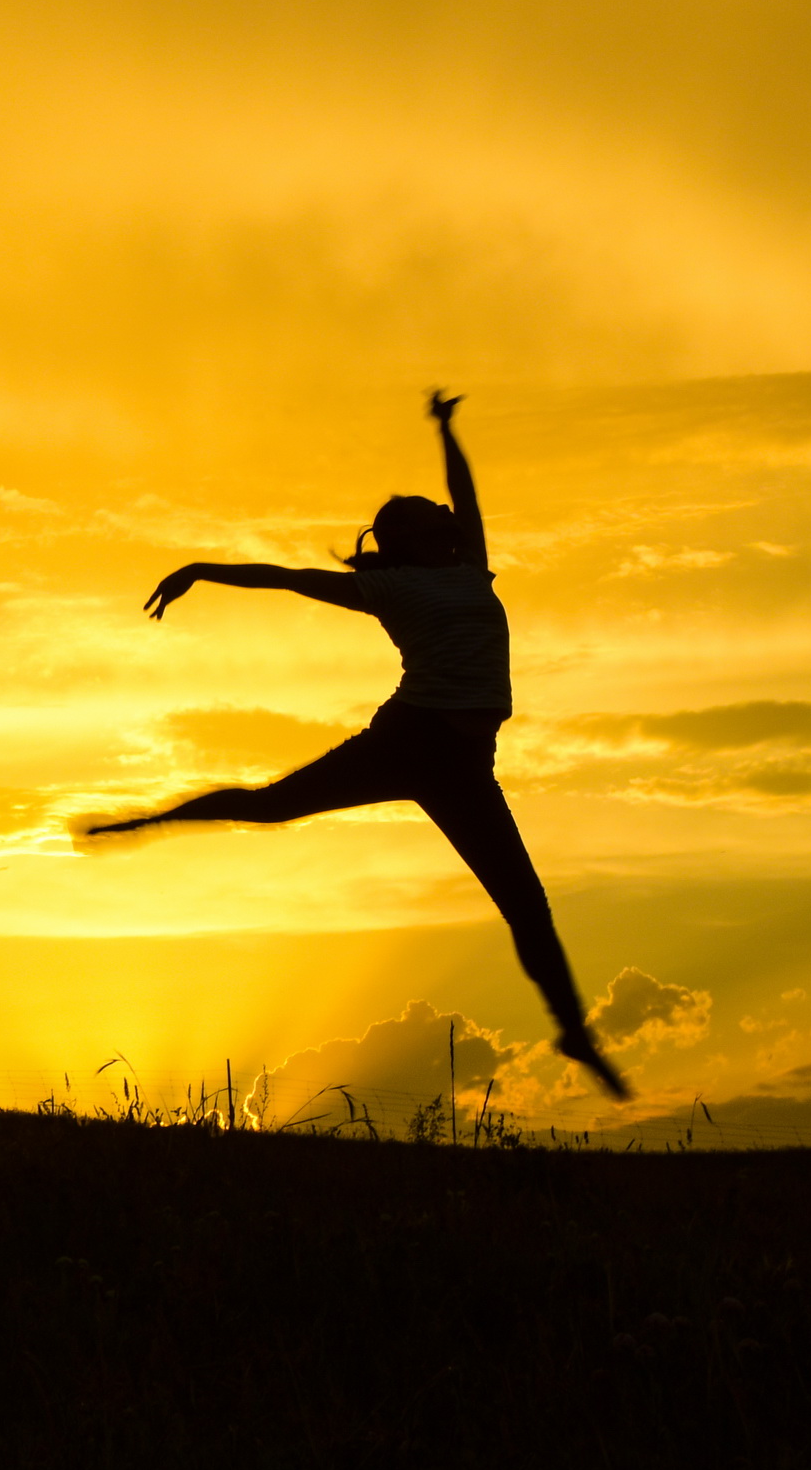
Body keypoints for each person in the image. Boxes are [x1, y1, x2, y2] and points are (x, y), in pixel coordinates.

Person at [79, 391, 632, 1098]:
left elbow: (468, 494)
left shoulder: (471, 567)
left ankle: (574, 1032)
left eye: (441, 509)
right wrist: (198, 569)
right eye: (428, 512)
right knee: (271, 807)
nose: (445, 512)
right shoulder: (392, 589)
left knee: (526, 904)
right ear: (407, 540)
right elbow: (284, 578)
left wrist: (447, 429)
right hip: (409, 741)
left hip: (465, 767)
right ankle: (148, 822)